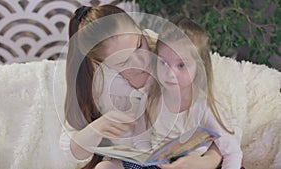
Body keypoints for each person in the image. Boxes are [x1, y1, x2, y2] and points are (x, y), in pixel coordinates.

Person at [59, 5, 223, 169]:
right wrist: (96, 129)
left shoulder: (168, 55)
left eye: (139, 45)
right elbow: (71, 154)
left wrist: (207, 161)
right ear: (100, 64)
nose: (141, 61)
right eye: (124, 62)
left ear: (139, 29)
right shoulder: (97, 84)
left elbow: (222, 125)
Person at [138, 15, 242, 169]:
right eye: (163, 62)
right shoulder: (151, 96)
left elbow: (232, 151)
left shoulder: (203, 105)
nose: (170, 73)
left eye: (181, 65)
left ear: (199, 67)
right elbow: (141, 139)